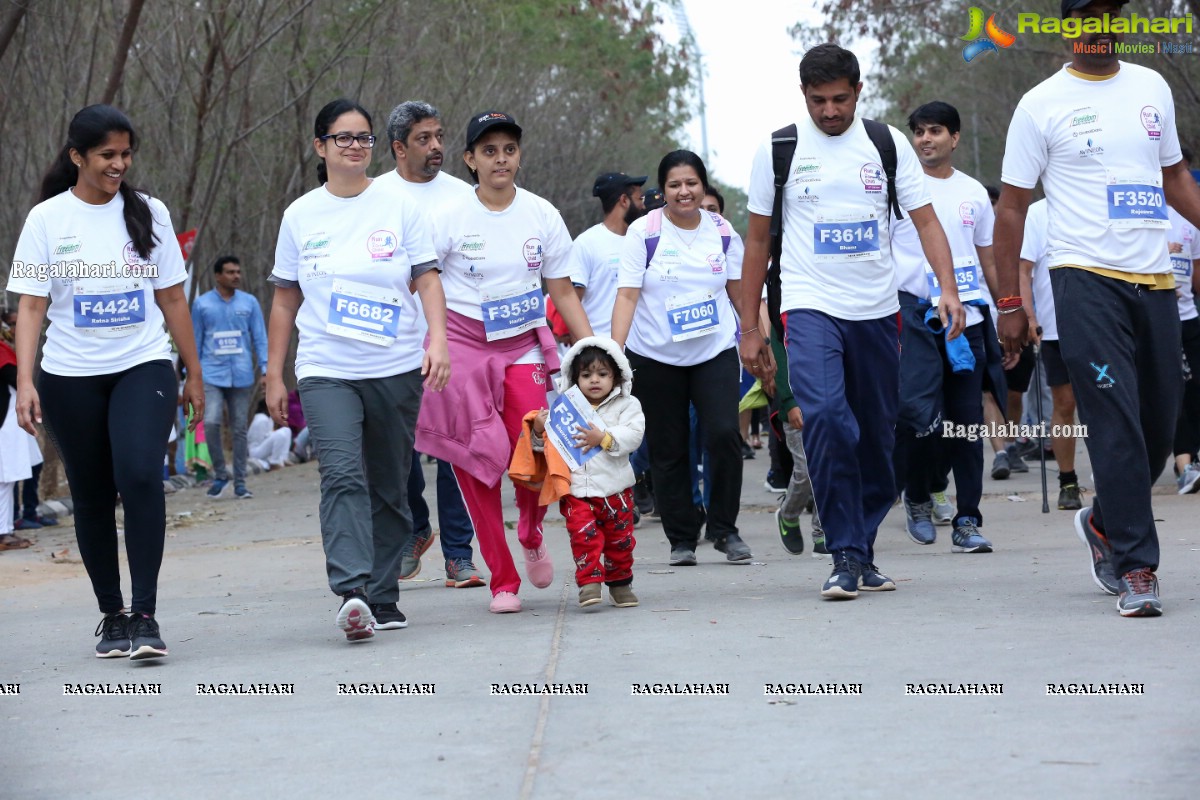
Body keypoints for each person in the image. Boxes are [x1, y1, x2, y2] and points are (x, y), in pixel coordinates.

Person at [994, 0, 1200, 616]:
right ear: (1069, 27)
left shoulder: (1152, 87)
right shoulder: (1041, 104)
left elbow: (1177, 181)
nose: (1099, 26)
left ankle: (1104, 521)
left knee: (1160, 426)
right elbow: (1010, 208)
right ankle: (1138, 568)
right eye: (1086, 16)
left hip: (1156, 279)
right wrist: (1010, 300)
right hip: (1083, 280)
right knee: (1113, 424)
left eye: (1109, 14)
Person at [739, 44, 963, 600]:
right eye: (819, 101)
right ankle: (842, 551)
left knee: (881, 442)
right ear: (804, 96)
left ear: (858, 92)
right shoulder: (780, 150)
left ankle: (859, 550)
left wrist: (948, 289)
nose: (829, 111)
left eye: (840, 99)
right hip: (810, 305)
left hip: (877, 310)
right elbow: (758, 240)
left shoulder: (886, 146)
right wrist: (750, 326)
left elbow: (928, 221)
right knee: (826, 418)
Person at [8, 104, 204, 659]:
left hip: (143, 363)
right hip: (70, 375)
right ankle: (112, 616)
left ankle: (146, 613)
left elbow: (171, 297)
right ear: (78, 156)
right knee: (91, 494)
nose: (120, 164)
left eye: (126, 154)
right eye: (107, 155)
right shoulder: (48, 219)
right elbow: (31, 307)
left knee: (140, 475)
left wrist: (193, 373)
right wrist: (26, 380)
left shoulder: (150, 214)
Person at [265, 98, 450, 641]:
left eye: (363, 137)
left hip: (394, 367)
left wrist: (437, 340)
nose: (353, 146)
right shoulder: (300, 215)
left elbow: (428, 280)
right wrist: (275, 374)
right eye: (342, 138)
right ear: (320, 146)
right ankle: (350, 590)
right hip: (326, 367)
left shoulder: (398, 207)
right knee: (342, 473)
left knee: (390, 485)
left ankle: (383, 592)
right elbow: (283, 300)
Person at [415, 110, 593, 614]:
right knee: (476, 464)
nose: (500, 159)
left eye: (509, 150)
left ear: (519, 156)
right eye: (488, 151)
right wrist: (434, 343)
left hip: (523, 346)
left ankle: (532, 530)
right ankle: (503, 579)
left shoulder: (541, 214)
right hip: (463, 345)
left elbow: (561, 289)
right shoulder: (447, 217)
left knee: (535, 449)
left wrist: (597, 352)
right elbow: (424, 283)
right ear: (470, 160)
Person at [612, 149, 751, 566]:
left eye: (691, 183)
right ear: (664, 190)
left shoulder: (724, 232)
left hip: (714, 352)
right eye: (674, 184)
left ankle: (725, 530)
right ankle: (682, 538)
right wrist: (613, 353)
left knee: (724, 434)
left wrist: (753, 336)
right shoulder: (644, 233)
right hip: (655, 355)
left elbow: (739, 293)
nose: (684, 191)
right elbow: (628, 294)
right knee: (669, 448)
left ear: (703, 186)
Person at [379, 100, 485, 588]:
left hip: (456, 336)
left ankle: (459, 554)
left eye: (440, 136)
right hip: (395, 340)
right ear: (399, 147)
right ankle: (416, 528)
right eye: (424, 139)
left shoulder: (465, 196)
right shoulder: (375, 195)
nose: (437, 146)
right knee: (399, 448)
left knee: (454, 450)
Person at [892, 101, 999, 553]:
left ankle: (967, 519)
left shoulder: (974, 191)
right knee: (920, 420)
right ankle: (917, 497)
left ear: (954, 138)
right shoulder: (897, 191)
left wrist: (1011, 311)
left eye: (935, 131)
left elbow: (987, 257)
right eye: (918, 131)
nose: (925, 139)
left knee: (967, 423)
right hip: (914, 318)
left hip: (967, 320)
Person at [530, 337, 645, 608]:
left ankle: (620, 583)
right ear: (574, 377)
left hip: (616, 490)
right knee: (584, 538)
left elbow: (635, 434)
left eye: (602, 374)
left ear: (617, 376)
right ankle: (590, 582)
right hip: (577, 491)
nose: (595, 380)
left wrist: (604, 437)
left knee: (621, 542)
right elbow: (545, 449)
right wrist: (538, 429)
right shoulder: (565, 409)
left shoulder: (627, 405)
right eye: (586, 374)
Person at [1019, 199, 1085, 509]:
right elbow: (1024, 269)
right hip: (1055, 329)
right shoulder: (1037, 212)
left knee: (1106, 400)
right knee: (1064, 403)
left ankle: (1116, 480)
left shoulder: (1095, 202)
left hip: (1099, 329)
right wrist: (1029, 316)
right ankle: (1068, 481)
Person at [192, 255, 268, 499]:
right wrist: (192, 374)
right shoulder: (202, 305)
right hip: (211, 373)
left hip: (242, 373)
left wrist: (266, 370)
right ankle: (220, 475)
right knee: (212, 422)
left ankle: (241, 483)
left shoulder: (250, 303)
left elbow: (259, 337)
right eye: (230, 272)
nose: (236, 276)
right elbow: (195, 339)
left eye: (238, 271)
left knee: (239, 429)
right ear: (217, 276)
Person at [571, 172, 648, 337]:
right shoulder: (586, 243)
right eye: (640, 199)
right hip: (602, 350)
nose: (643, 206)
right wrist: (589, 349)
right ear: (624, 201)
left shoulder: (644, 241)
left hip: (642, 351)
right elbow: (571, 304)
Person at [247, 400, 293, 470]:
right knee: (280, 435)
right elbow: (260, 441)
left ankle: (284, 458)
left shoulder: (268, 418)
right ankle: (274, 462)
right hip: (255, 452)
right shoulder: (261, 420)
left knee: (287, 430)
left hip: (262, 447)